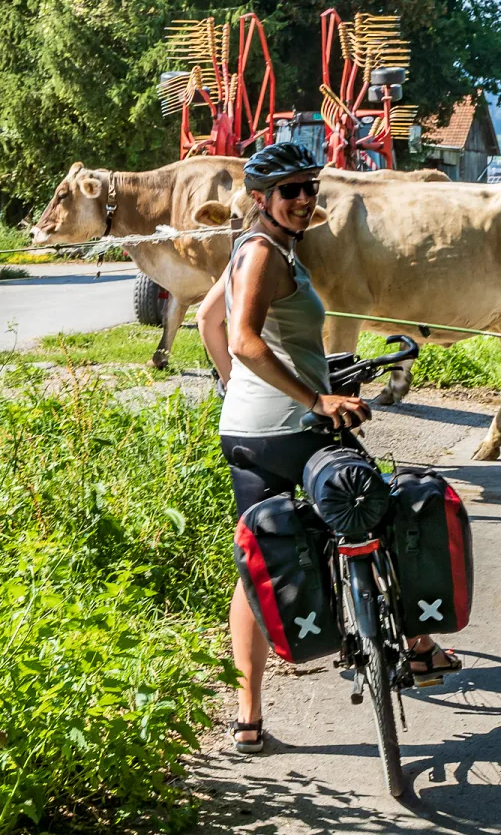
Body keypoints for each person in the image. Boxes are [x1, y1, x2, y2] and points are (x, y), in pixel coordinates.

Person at [197, 142, 460, 755]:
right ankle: (419, 647)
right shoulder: (264, 253)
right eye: (289, 190)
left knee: (257, 556)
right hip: (295, 426)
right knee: (379, 510)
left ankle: (248, 716)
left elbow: (210, 322)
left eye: (309, 187)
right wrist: (315, 399)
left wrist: (236, 392)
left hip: (247, 432)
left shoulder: (249, 250)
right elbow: (242, 339)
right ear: (260, 198)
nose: (303, 198)